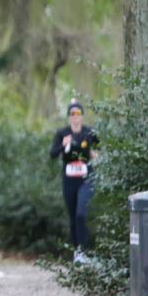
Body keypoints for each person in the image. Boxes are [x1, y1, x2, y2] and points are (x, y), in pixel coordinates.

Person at [49, 99, 99, 263]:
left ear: (82, 116)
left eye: (78, 113)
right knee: (72, 217)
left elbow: (100, 150)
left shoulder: (89, 132)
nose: (75, 117)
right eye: (72, 114)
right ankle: (77, 252)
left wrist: (95, 155)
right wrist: (63, 145)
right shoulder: (62, 133)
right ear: (69, 117)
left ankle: (83, 250)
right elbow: (53, 154)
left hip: (86, 179)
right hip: (69, 179)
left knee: (81, 214)